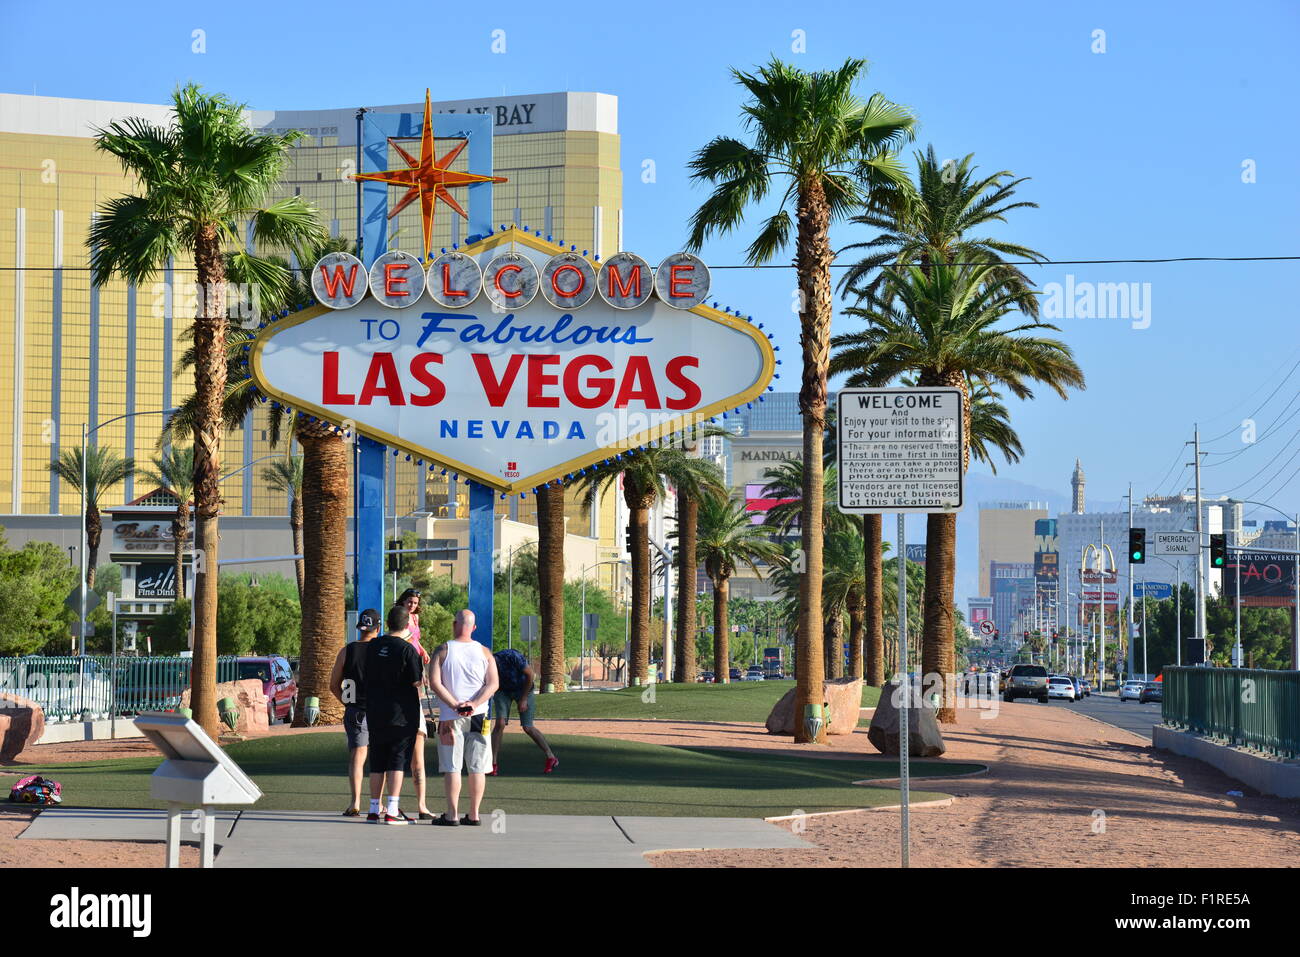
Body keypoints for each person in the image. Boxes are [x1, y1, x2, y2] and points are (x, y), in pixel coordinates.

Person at [427, 609, 498, 826]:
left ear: (454, 624)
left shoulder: (443, 650)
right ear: (473, 628)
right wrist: (474, 704)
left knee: (452, 766)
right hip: (480, 717)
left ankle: (452, 814)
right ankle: (474, 814)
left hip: (450, 718)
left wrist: (455, 705)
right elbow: (493, 684)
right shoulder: (485, 652)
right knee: (478, 766)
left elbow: (435, 683)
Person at [363, 604, 425, 825]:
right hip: (401, 714)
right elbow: (417, 681)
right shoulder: (408, 650)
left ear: (387, 623)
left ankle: (373, 808)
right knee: (397, 760)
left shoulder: (372, 646)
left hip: (375, 711)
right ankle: (391, 809)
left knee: (377, 760)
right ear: (407, 624)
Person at [329, 607, 380, 817]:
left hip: (355, 710)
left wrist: (348, 702)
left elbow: (333, 685)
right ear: (378, 627)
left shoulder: (346, 651)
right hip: (380, 710)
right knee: (380, 758)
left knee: (357, 757)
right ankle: (378, 804)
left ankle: (355, 802)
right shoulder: (382, 651)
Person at [489, 648, 558, 775]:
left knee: (527, 727)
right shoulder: (485, 665)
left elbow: (530, 675)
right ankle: (493, 764)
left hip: (524, 688)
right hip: (503, 691)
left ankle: (551, 757)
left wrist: (524, 698)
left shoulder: (511, 656)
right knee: (500, 723)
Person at [396, 588, 434, 819]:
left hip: (414, 666)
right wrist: (422, 650)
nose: (412, 605)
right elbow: (408, 638)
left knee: (417, 750)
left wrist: (421, 656)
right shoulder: (399, 616)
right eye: (409, 601)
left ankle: (421, 806)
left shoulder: (415, 617)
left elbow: (415, 638)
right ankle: (389, 803)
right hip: (406, 665)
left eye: (415, 602)